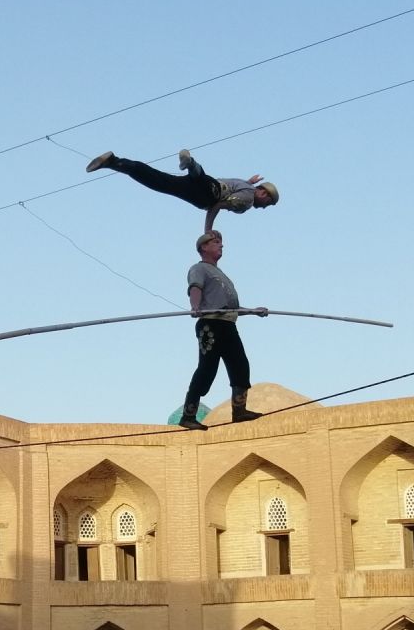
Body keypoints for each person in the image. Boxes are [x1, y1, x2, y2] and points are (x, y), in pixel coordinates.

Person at [179, 230, 267, 429]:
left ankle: (239, 410)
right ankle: (188, 415)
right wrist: (195, 306)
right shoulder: (199, 269)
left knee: (240, 365)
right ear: (204, 247)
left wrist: (253, 311)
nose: (221, 245)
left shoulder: (222, 275)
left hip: (228, 324)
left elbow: (231, 308)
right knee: (207, 369)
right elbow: (195, 288)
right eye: (216, 242)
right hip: (211, 324)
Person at [86, 149, 278, 232]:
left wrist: (250, 181)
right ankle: (191, 164)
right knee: (196, 182)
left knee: (159, 180)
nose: (263, 207)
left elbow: (241, 188)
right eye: (267, 203)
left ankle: (114, 162)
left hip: (203, 185)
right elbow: (218, 204)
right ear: (263, 193)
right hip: (207, 195)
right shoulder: (247, 202)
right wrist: (208, 230)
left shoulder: (246, 186)